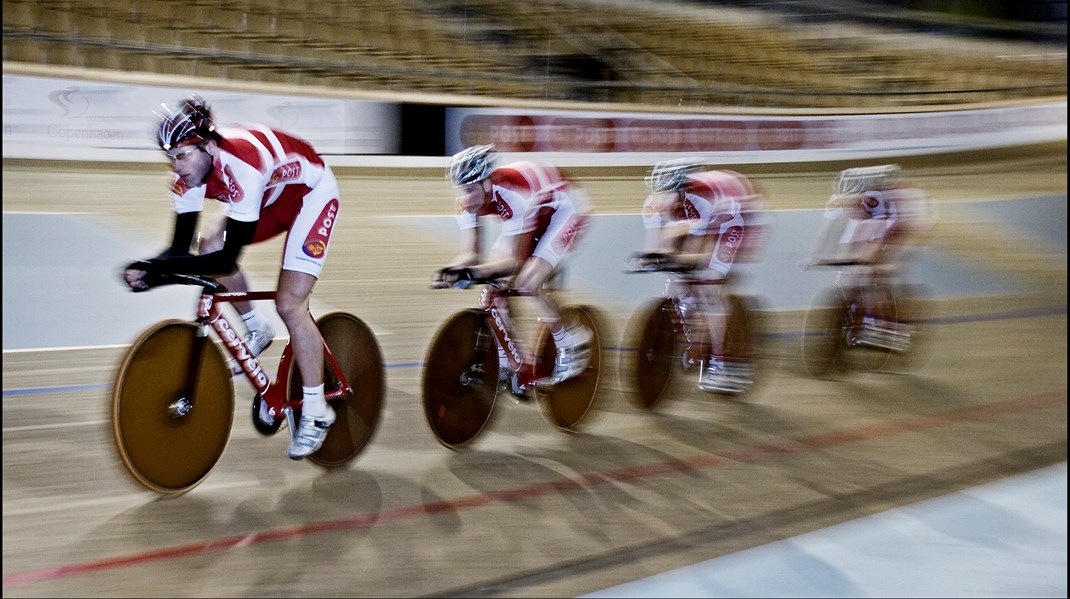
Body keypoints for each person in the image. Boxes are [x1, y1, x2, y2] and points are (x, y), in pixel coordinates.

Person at [122, 96, 340, 460]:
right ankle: (256, 327)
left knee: (290, 304)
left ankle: (318, 411)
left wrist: (159, 275)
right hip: (271, 196)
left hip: (312, 196)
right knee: (205, 245)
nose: (176, 168)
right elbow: (179, 251)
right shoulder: (187, 178)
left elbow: (227, 260)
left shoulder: (243, 165)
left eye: (181, 156)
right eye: (170, 158)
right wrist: (149, 267)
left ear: (207, 145)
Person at [434, 144, 593, 395]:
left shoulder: (513, 195)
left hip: (566, 211)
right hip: (534, 215)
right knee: (493, 288)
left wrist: (474, 273)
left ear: (487, 183)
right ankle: (505, 361)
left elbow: (514, 265)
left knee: (527, 283)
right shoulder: (467, 203)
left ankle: (571, 345)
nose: (466, 198)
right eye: (461, 191)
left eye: (471, 190)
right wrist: (452, 270)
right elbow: (470, 253)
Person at [630, 158, 768, 393]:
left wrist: (680, 263)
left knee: (709, 287)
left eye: (667, 196)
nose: (661, 202)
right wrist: (652, 259)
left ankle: (720, 363)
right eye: (658, 195)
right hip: (704, 220)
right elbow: (658, 246)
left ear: (683, 190)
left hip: (737, 219)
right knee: (675, 276)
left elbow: (696, 254)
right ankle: (693, 323)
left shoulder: (703, 200)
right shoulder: (653, 204)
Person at [807, 164, 935, 346]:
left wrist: (873, 259)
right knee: (852, 267)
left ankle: (897, 327)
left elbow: (883, 232)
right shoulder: (837, 200)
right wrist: (817, 256)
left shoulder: (877, 199)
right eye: (846, 199)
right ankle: (855, 315)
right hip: (881, 223)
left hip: (909, 225)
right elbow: (829, 230)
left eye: (853, 199)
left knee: (881, 269)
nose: (848, 202)